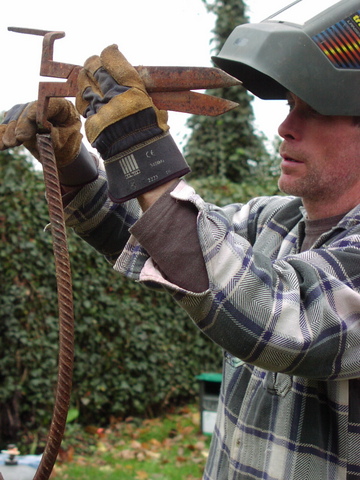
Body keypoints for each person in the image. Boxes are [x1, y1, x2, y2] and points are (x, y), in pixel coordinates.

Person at [1, 1, 360, 479]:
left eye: (312, 110)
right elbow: (164, 237)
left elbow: (274, 319)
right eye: (291, 105)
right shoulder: (273, 222)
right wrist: (71, 163)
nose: (285, 127)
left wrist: (139, 150)